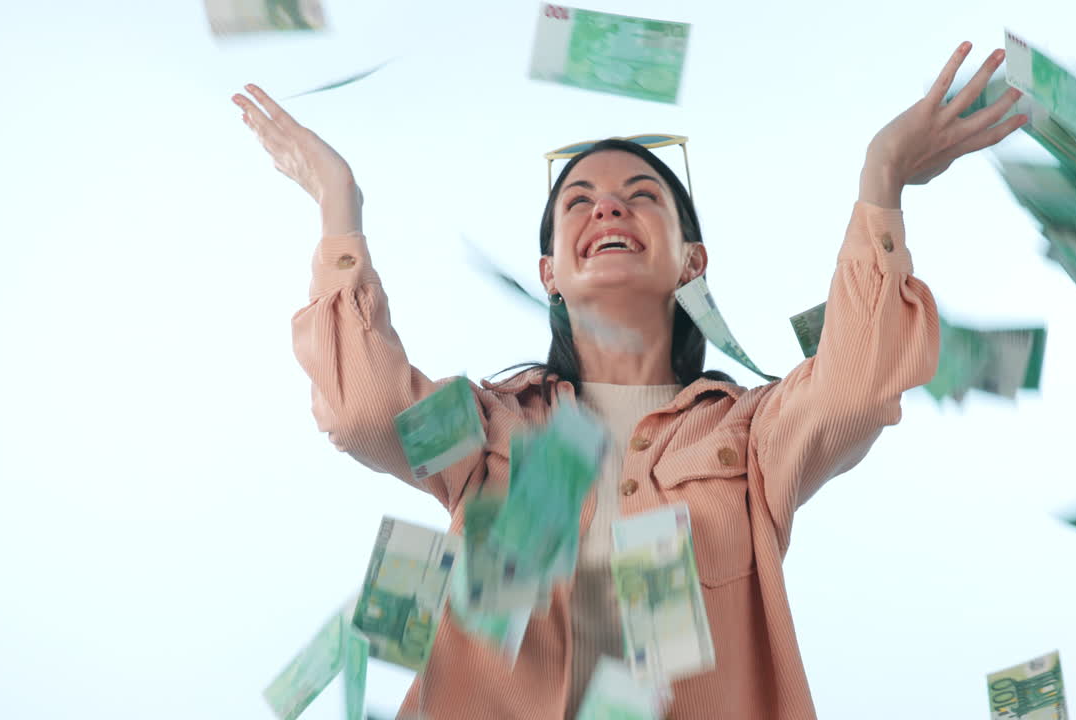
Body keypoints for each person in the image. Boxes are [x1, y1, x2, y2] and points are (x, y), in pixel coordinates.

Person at [233, 41, 1027, 720]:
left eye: (641, 196)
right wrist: (340, 208)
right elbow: (364, 410)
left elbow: (855, 387)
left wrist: (881, 177)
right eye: (578, 201)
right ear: (550, 273)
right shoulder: (487, 432)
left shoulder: (751, 438)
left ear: (693, 261)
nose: (607, 208)